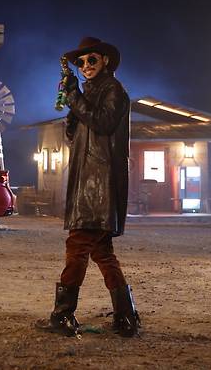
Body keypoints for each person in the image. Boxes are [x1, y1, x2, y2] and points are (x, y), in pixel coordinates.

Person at [36, 37, 140, 337]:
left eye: (91, 59)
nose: (85, 66)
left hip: (99, 186)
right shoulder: (91, 92)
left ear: (105, 60)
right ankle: (126, 317)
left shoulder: (113, 90)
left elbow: (103, 123)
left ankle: (63, 315)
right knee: (102, 253)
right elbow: (75, 136)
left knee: (77, 246)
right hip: (89, 182)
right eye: (80, 62)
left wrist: (75, 98)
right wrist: (73, 105)